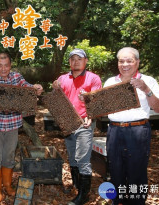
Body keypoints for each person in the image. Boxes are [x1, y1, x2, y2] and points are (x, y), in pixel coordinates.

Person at [0, 52, 43, 203]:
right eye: (0, 65)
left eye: (6, 65)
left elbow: (27, 87)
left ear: (10, 65)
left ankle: (7, 186)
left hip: (13, 124)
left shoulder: (16, 77)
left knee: (8, 156)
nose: (3, 69)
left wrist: (36, 87)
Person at [104, 47, 159, 205]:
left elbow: (158, 108)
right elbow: (102, 107)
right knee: (115, 171)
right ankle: (117, 202)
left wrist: (145, 89)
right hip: (114, 131)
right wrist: (87, 100)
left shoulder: (149, 80)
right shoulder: (110, 82)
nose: (125, 64)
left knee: (137, 172)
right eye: (121, 61)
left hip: (138, 131)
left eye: (129, 60)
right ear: (117, 63)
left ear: (137, 62)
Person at [52, 48, 102, 205]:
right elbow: (57, 100)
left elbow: (97, 101)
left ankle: (84, 195)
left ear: (85, 61)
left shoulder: (93, 79)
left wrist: (90, 112)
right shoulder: (62, 78)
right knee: (72, 156)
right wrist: (54, 89)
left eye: (79, 59)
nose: (76, 61)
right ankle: (77, 186)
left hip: (84, 122)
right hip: (68, 122)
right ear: (69, 62)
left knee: (82, 158)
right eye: (73, 59)